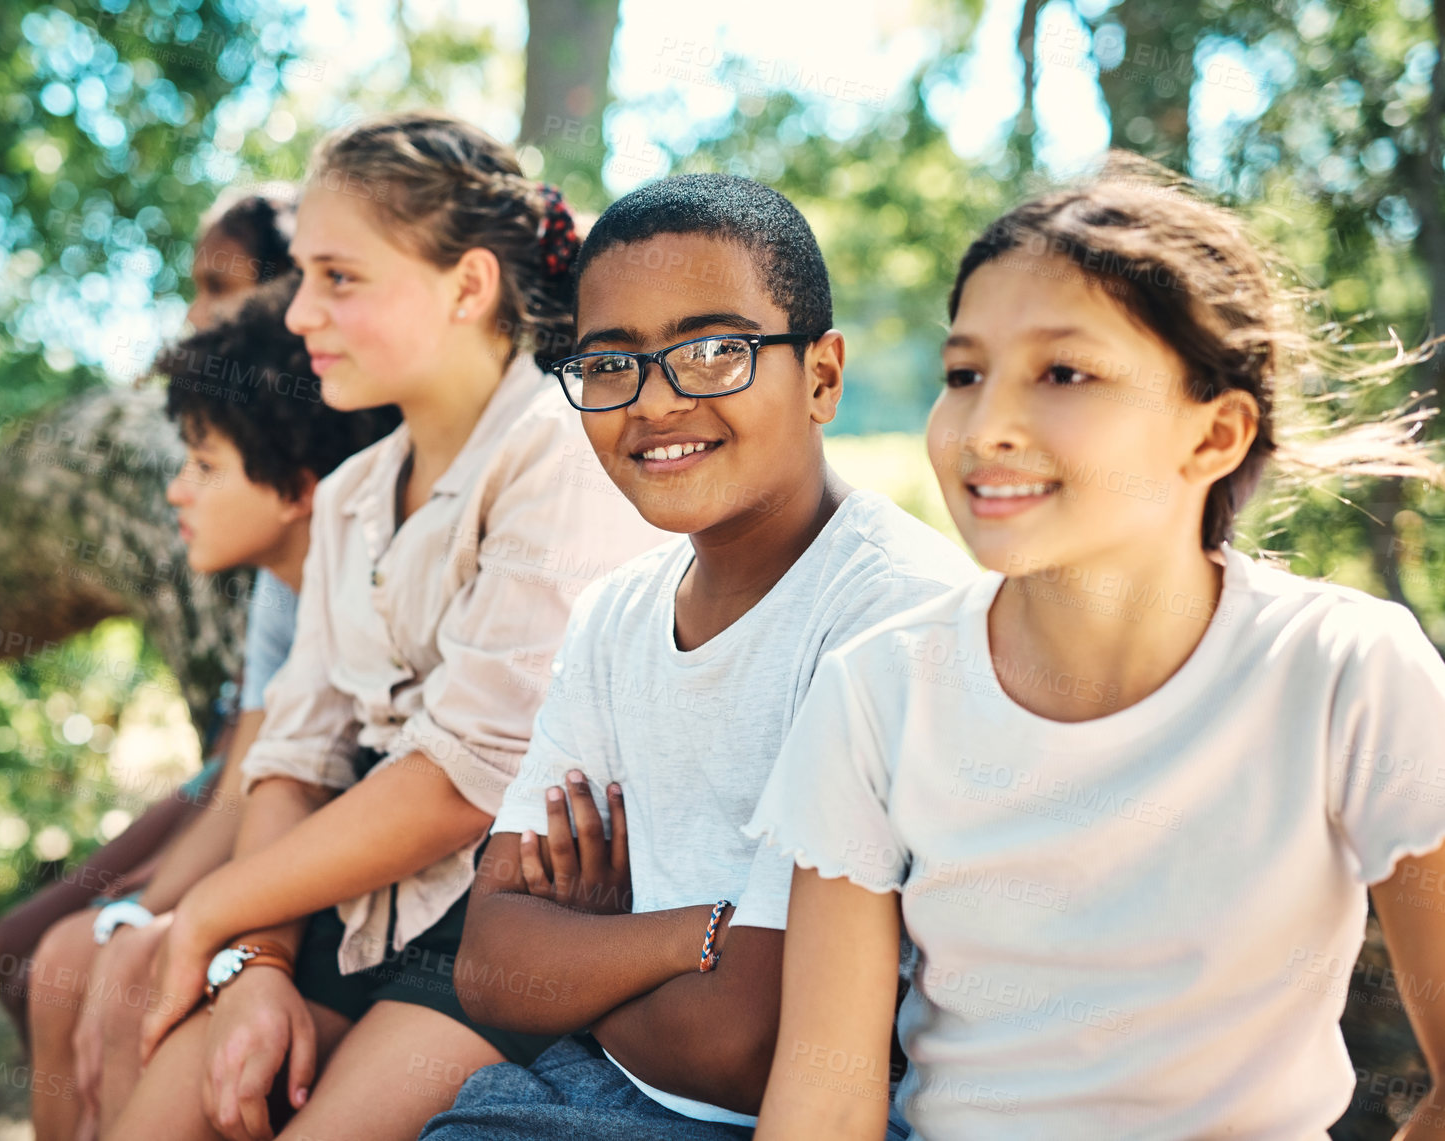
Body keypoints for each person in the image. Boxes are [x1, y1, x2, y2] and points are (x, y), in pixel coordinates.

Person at [746, 154, 1445, 1139]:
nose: (984, 426)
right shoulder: (877, 690)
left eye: (1062, 373)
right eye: (963, 374)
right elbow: (823, 1095)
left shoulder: (1345, 669)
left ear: (1213, 436)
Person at [108, 111, 667, 1141]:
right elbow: (297, 748)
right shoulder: (358, 490)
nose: (299, 315)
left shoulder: (556, 451)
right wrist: (260, 960)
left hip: (513, 916)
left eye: (339, 278)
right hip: (354, 904)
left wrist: (213, 910)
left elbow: (462, 783)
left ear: (466, 287)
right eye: (305, 278)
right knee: (163, 1103)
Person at [417, 172, 976, 1141]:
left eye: (714, 350)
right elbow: (490, 968)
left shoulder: (893, 612)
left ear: (821, 376)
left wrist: (589, 953)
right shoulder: (612, 615)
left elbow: (750, 1046)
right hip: (581, 1091)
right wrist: (694, 938)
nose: (653, 402)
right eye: (608, 362)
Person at [17, 279, 399, 1141]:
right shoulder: (283, 590)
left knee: (134, 979)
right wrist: (137, 909)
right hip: (281, 887)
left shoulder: (382, 587)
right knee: (73, 954)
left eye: (203, 465)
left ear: (299, 487)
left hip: (360, 920)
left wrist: (206, 927)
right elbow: (246, 780)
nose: (177, 492)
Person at [0, 182, 305, 1061]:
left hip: (265, 788)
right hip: (230, 767)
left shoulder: (297, 462)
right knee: (29, 945)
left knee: (64, 954)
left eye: (219, 284)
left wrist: (150, 911)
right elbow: (243, 754)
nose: (194, 311)